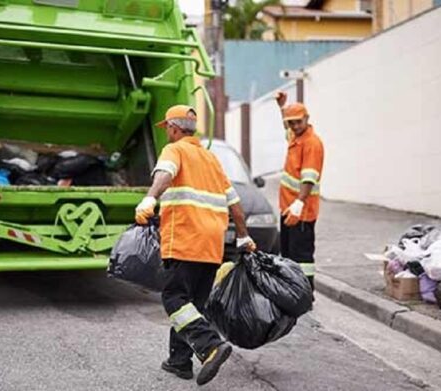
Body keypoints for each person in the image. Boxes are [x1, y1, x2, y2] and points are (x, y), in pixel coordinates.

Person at [134, 105, 256, 386]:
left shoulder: (175, 150)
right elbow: (235, 204)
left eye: (168, 129)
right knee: (193, 305)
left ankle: (210, 345)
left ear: (175, 129)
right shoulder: (211, 159)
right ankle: (179, 362)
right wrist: (243, 236)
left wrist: (150, 198)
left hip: (185, 239)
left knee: (174, 298)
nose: (167, 134)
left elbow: (164, 175)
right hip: (212, 245)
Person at [275, 92, 324, 288]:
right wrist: (282, 107)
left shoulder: (312, 143)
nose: (294, 126)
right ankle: (291, 290)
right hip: (289, 208)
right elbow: (287, 128)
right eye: (291, 122)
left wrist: (299, 202)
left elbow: (309, 177)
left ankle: (305, 292)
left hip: (302, 211)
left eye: (298, 122)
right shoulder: (296, 137)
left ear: (307, 119)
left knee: (301, 256)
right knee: (288, 253)